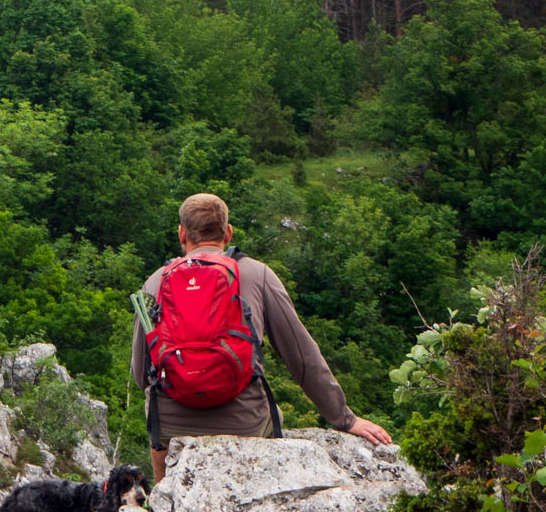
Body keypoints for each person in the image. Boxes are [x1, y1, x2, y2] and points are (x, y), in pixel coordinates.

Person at [131, 193, 392, 482]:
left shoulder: (156, 282)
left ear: (182, 234)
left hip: (171, 430)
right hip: (246, 424)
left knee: (155, 412)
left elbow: (140, 374)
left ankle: (168, 503)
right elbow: (302, 358)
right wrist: (344, 418)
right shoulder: (257, 274)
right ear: (227, 233)